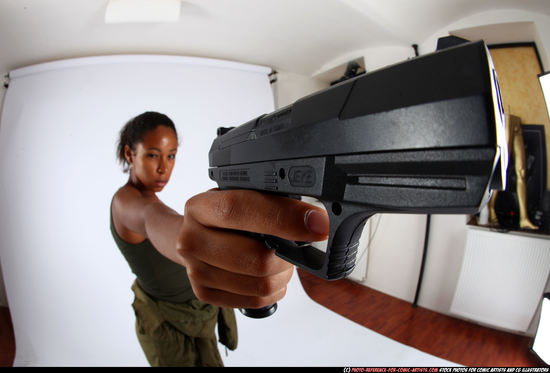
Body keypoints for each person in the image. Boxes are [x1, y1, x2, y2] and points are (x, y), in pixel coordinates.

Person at [110, 111, 330, 366]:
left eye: (171, 155)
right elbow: (153, 218)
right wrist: (196, 238)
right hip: (166, 321)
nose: (164, 167)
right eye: (152, 154)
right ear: (129, 154)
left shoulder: (148, 195)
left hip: (201, 310)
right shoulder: (125, 203)